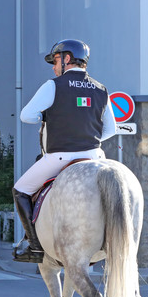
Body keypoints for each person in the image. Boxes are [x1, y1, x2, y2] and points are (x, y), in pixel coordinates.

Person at [13, 39, 118, 263]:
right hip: (95, 156)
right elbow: (111, 129)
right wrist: (90, 139)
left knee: (20, 190)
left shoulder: (53, 85)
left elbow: (26, 116)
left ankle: (35, 247)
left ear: (67, 59)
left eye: (56, 60)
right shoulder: (101, 89)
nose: (54, 66)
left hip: (60, 156)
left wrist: (46, 116)